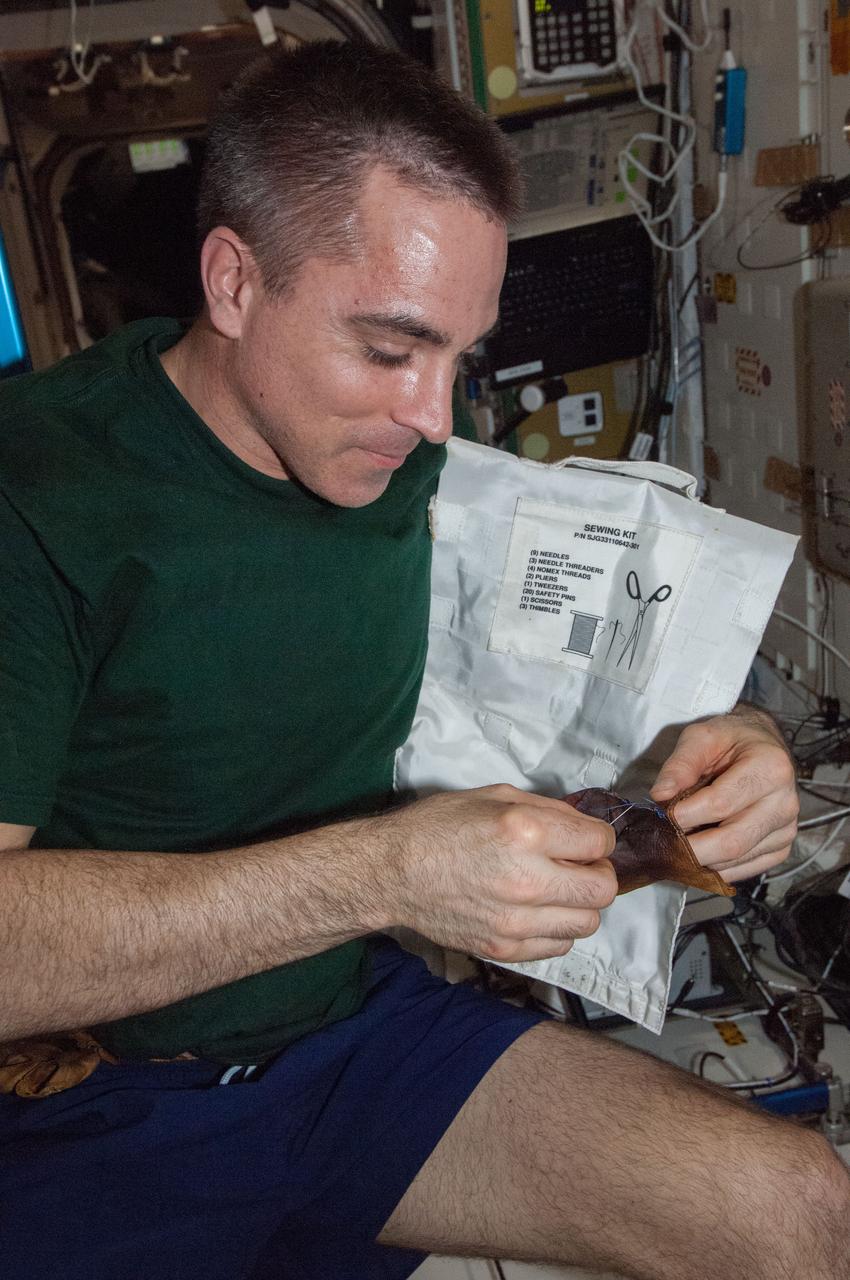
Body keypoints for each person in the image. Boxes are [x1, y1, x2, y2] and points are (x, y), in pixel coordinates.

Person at [0, 38, 847, 1280]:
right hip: (83, 1107)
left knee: (801, 1213)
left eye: (460, 353)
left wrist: (740, 752)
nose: (439, 415)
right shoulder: (39, 496)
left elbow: (576, 696)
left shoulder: (406, 462)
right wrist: (381, 874)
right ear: (233, 283)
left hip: (352, 1041)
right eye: (391, 349)